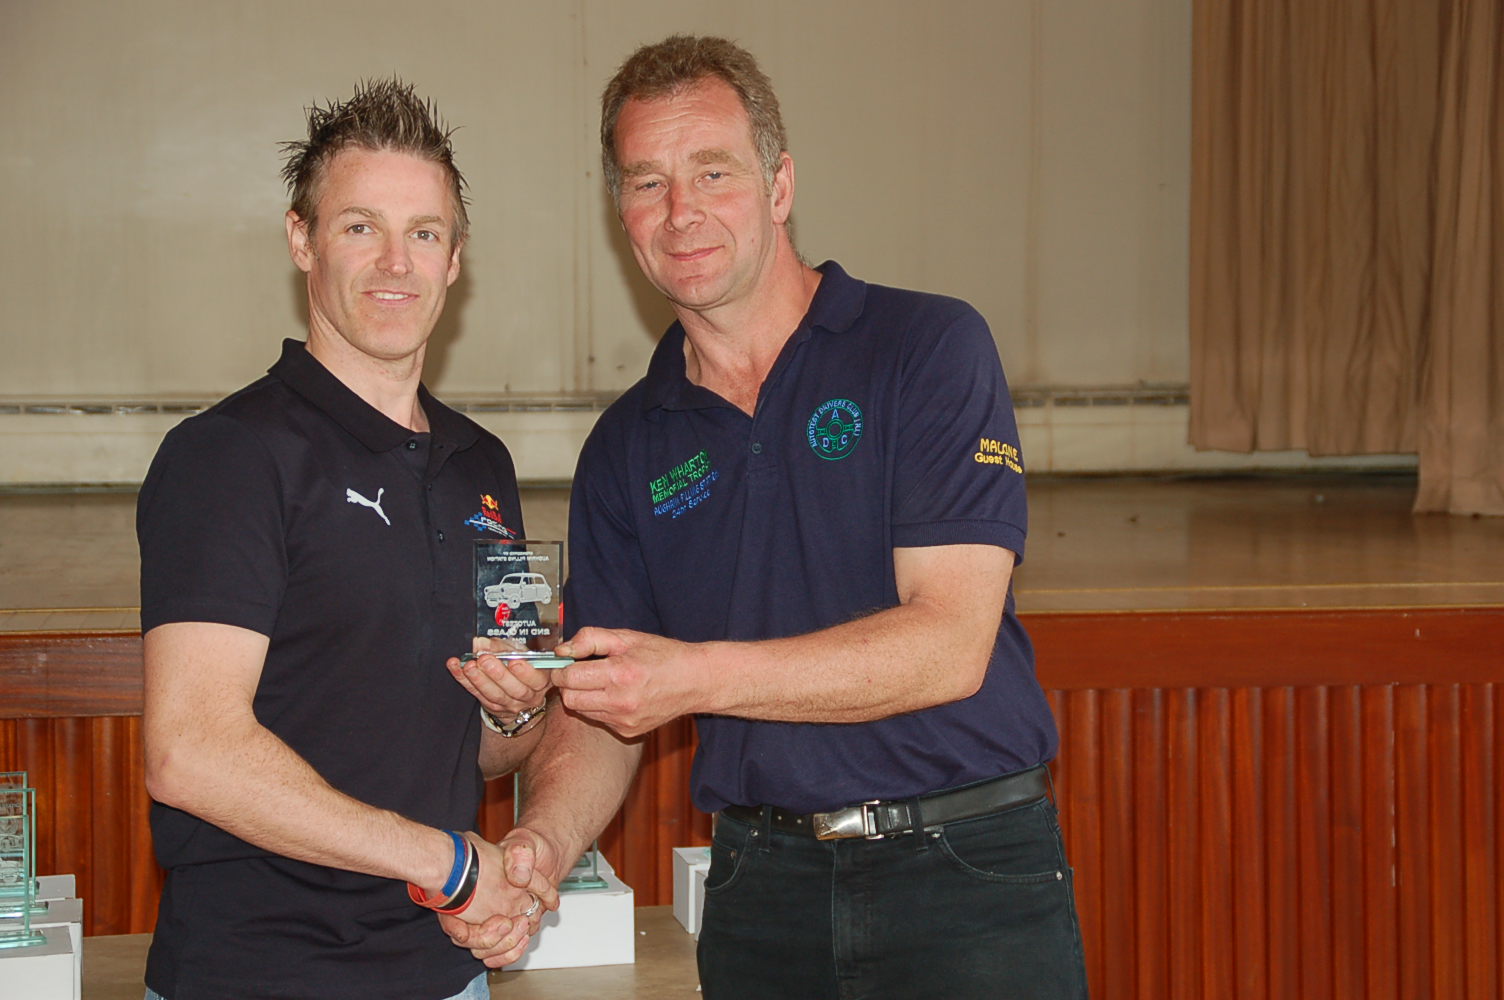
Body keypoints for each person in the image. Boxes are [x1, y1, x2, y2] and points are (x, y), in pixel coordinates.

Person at [453, 34, 1087, 999]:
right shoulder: (626, 448)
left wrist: (694, 676)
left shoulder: (926, 347)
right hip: (762, 888)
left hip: (966, 870)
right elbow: (608, 707)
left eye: (714, 171)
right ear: (621, 213)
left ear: (780, 185)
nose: (681, 211)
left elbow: (950, 646)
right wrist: (539, 844)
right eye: (648, 182)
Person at [137, 78, 555, 1000]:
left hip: (445, 973)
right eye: (361, 226)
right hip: (257, 976)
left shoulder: (482, 467)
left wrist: (513, 711)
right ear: (302, 240)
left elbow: (487, 754)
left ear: (456, 259)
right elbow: (189, 750)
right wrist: (448, 863)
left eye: (425, 233)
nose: (396, 262)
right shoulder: (228, 455)